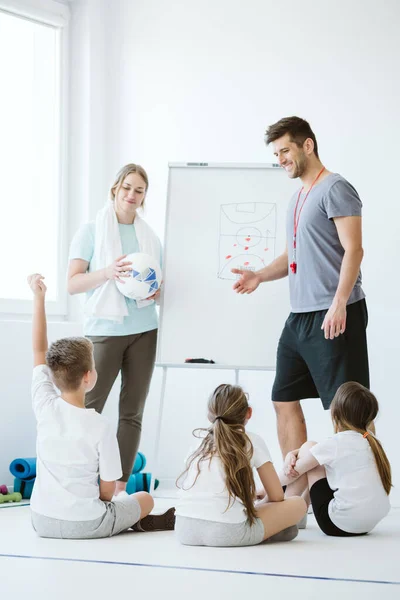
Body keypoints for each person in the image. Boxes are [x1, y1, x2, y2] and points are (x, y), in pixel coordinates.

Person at [232, 116, 369, 459]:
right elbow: (293, 254)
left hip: (336, 312)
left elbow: (354, 249)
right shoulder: (297, 198)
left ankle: (360, 489)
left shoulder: (336, 188)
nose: (280, 160)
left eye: (285, 151)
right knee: (282, 397)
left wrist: (339, 303)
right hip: (300, 316)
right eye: (276, 154)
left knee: (348, 411)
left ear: (307, 145)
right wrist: (260, 275)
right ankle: (297, 493)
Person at [27, 273, 174, 539]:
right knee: (144, 499)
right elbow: (107, 492)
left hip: (41, 521)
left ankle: (128, 519)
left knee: (121, 504)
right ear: (88, 377)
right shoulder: (100, 425)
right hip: (88, 524)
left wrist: (39, 298)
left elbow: (39, 351)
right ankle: (133, 519)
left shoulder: (43, 404)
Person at [68, 164, 162, 496]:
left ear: (144, 196)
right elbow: (73, 284)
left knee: (132, 412)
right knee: (90, 407)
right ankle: (79, 480)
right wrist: (108, 271)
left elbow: (158, 284)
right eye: (127, 188)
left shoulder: (150, 237)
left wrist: (154, 292)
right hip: (105, 330)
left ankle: (118, 490)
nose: (132, 195)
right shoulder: (91, 231)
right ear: (115, 189)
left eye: (139, 190)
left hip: (144, 329)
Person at [175, 384, 306, 547]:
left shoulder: (198, 442)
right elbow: (277, 496)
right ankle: (272, 530)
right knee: (298, 504)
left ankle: (272, 530)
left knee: (265, 517)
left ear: (210, 415)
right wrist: (263, 503)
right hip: (228, 532)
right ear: (248, 413)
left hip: (183, 530)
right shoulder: (252, 440)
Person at [280, 382, 391, 537]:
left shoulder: (336, 443)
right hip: (368, 524)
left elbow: (294, 472)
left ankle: (286, 517)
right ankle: (297, 514)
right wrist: (292, 453)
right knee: (312, 452)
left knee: (310, 450)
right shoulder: (370, 440)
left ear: (335, 414)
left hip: (337, 525)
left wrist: (264, 490)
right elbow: (315, 453)